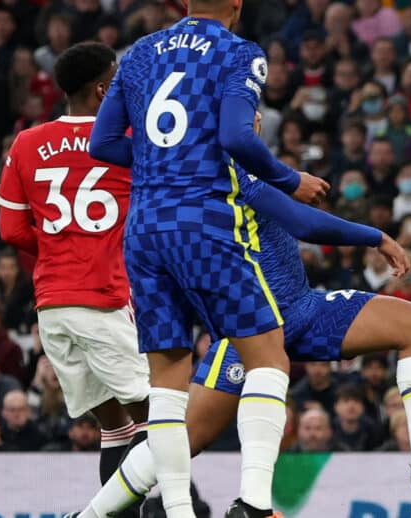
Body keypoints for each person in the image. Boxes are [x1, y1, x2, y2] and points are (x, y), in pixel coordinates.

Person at [74, 118, 411, 518]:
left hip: (302, 308)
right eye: (246, 116)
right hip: (252, 330)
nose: (253, 121)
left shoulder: (222, 173)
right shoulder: (226, 172)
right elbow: (303, 222)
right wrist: (375, 236)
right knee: (183, 439)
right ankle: (93, 514)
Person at [88, 0, 329, 511]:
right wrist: (290, 180)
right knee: (268, 356)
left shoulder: (137, 53)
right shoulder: (239, 52)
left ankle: (176, 511)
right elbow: (237, 136)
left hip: (144, 226)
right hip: (202, 221)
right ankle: (255, 501)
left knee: (168, 384)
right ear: (238, 6)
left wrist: (161, 159)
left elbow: (102, 143)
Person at [0, 43, 150, 509]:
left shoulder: (26, 142)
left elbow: (10, 228)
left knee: (115, 427)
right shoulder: (127, 139)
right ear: (103, 89)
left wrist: (61, 248)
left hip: (53, 305)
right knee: (161, 420)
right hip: (104, 296)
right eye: (117, 78)